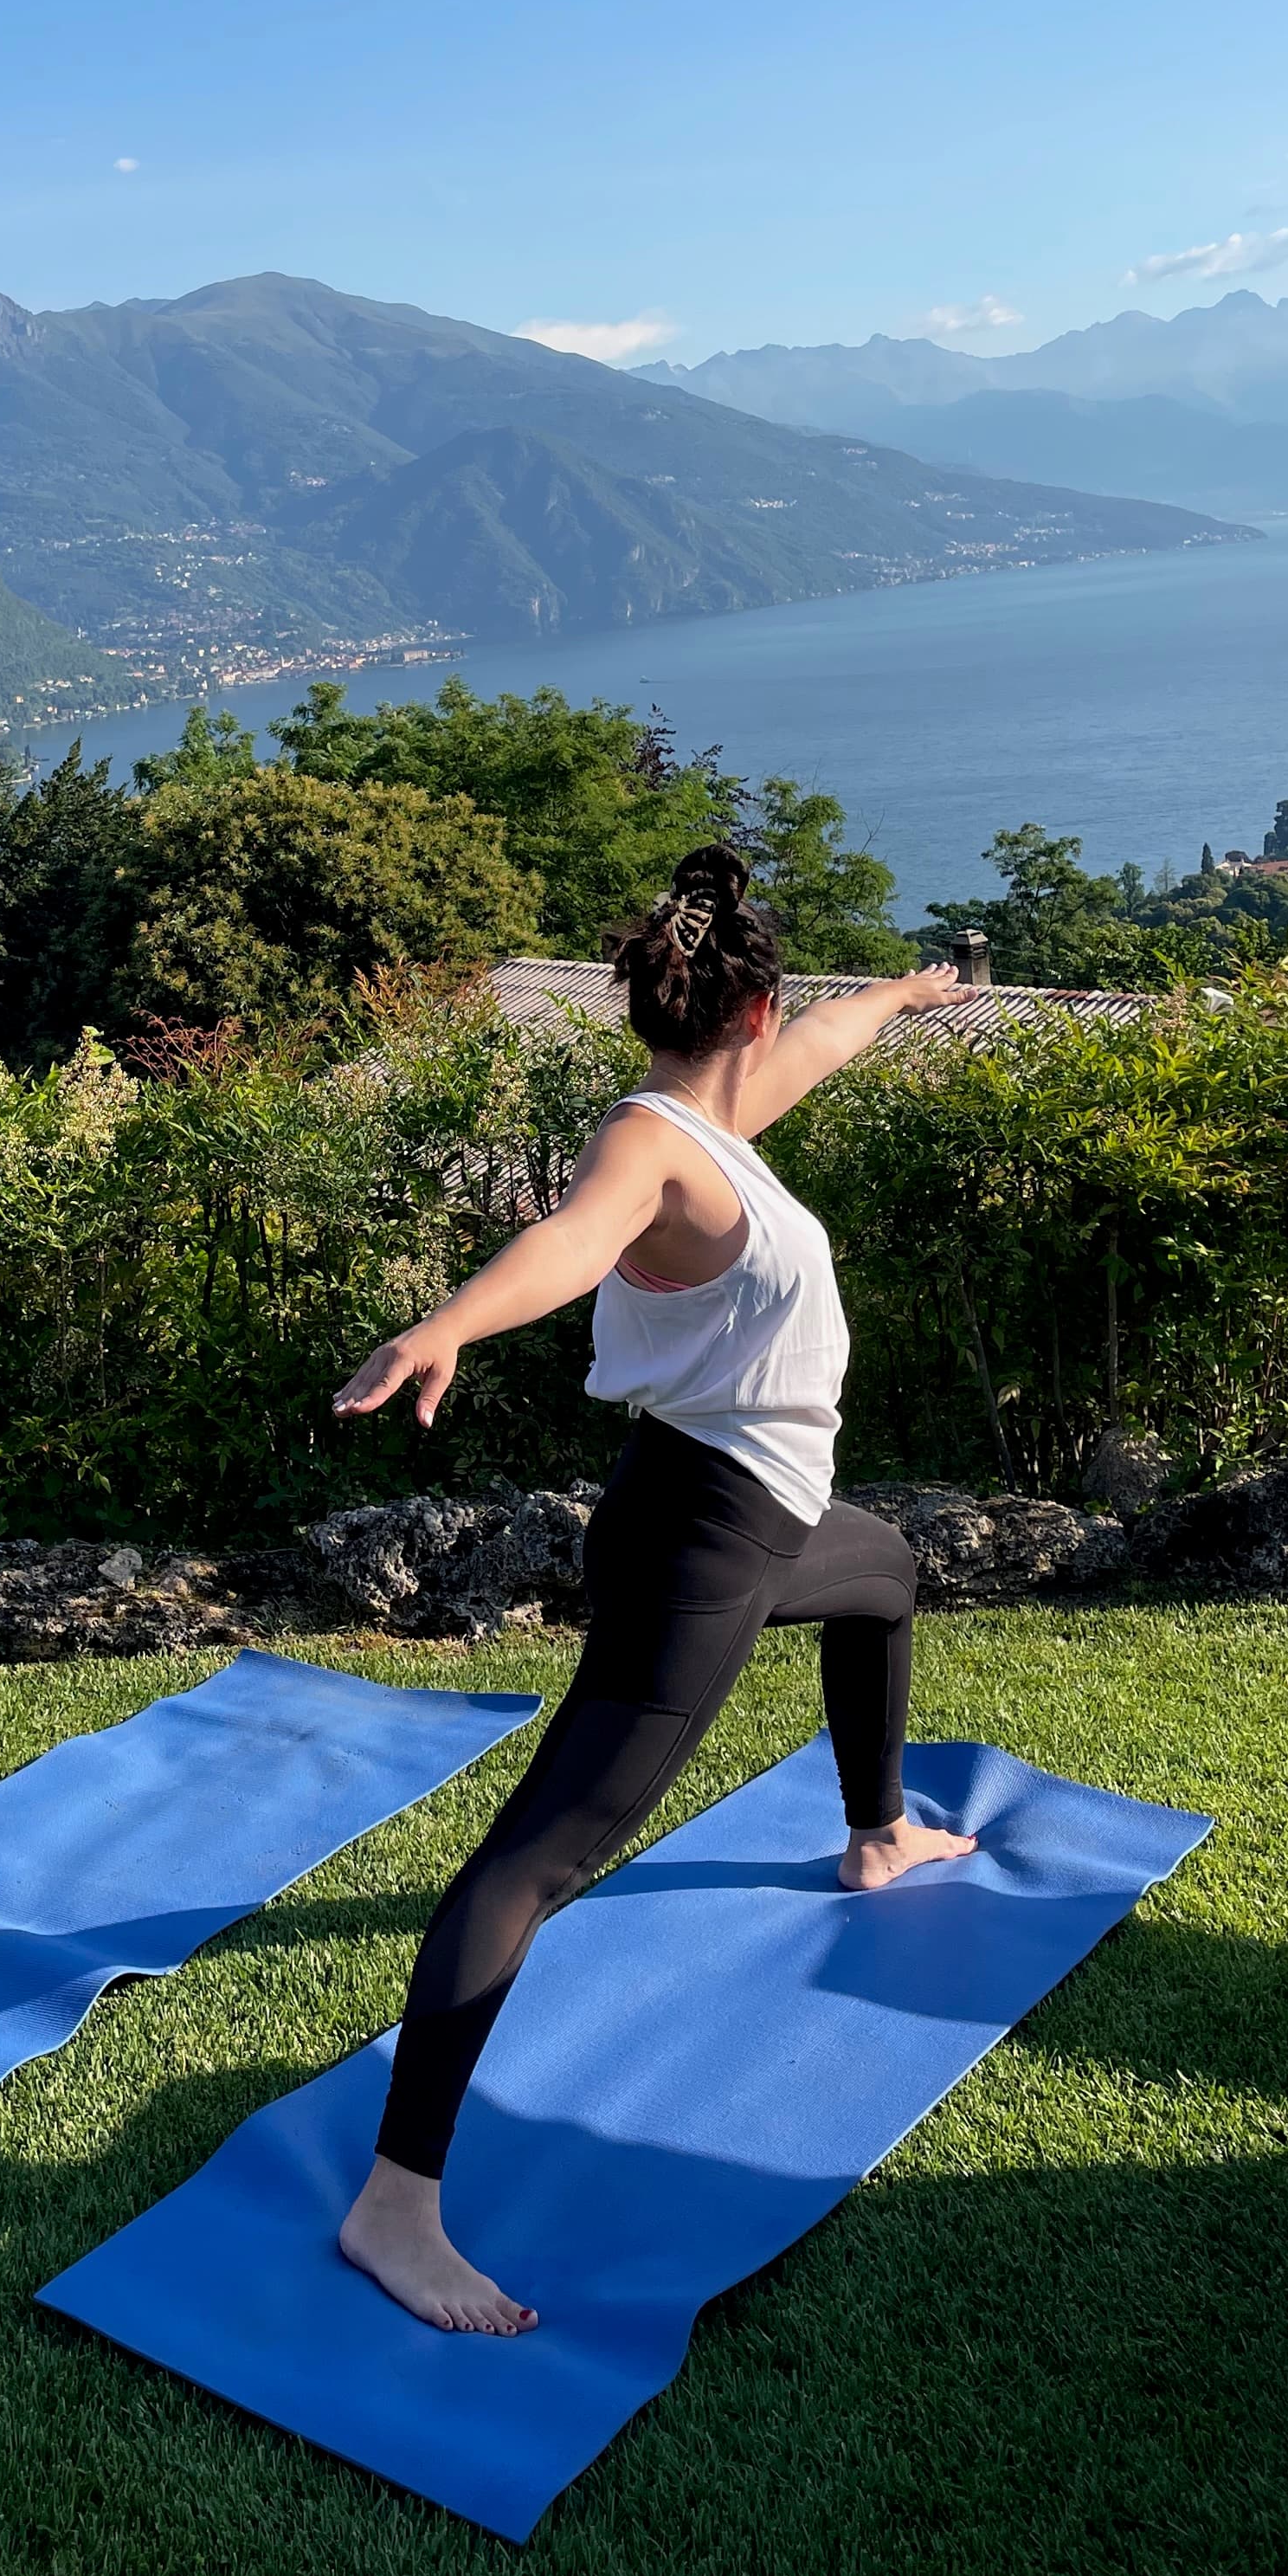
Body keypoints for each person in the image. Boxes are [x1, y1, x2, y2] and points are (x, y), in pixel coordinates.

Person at [330, 841, 977, 2335]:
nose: (794, 1032)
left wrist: (910, 991)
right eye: (785, 1011)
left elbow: (828, 1037)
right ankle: (396, 2203)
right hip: (698, 1540)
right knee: (540, 1860)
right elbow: (574, 1236)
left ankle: (877, 1836)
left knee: (885, 1579)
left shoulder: (732, 1124)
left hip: (758, 1520)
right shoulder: (656, 1146)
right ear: (743, 1014)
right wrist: (448, 1324)